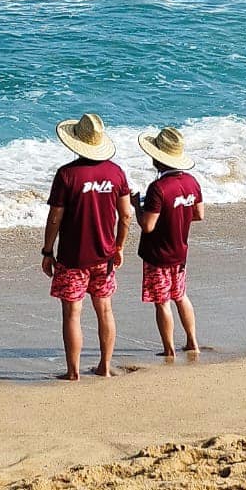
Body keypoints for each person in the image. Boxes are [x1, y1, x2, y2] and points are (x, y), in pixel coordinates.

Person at [42, 111, 132, 381]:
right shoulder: (116, 173)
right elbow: (126, 215)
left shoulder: (67, 175)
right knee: (104, 309)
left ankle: (73, 371)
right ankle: (104, 366)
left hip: (72, 257)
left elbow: (55, 216)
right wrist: (119, 246)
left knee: (72, 313)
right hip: (104, 255)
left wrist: (47, 250)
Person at [136, 125, 205, 358]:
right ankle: (192, 341)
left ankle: (169, 348)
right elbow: (199, 214)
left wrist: (137, 208)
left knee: (162, 301)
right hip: (179, 251)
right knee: (180, 295)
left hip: (158, 254)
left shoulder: (158, 188)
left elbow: (147, 225)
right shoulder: (191, 182)